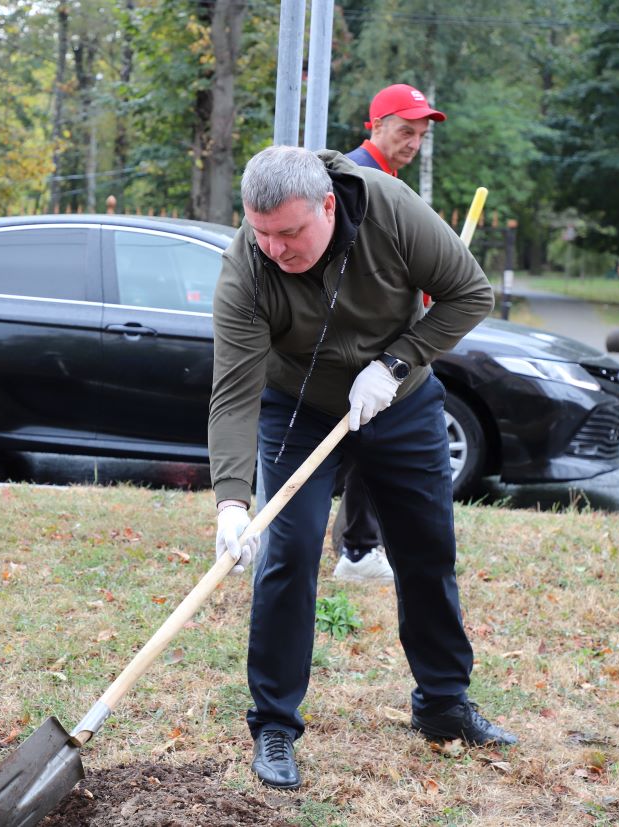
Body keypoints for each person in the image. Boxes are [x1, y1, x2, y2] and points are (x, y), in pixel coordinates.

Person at [209, 146, 516, 792]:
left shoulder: (393, 212)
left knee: (425, 545)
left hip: (397, 398)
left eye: (289, 233)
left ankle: (443, 703)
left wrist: (399, 362)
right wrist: (232, 503)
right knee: (287, 552)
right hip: (298, 405)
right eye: (261, 233)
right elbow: (234, 391)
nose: (275, 249)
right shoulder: (247, 266)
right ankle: (274, 723)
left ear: (327, 205)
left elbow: (470, 292)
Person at [332, 83, 448, 584]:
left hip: (384, 339)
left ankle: (358, 547)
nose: (413, 142)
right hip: (364, 342)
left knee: (367, 440)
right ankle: (358, 549)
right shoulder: (359, 177)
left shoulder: (390, 179)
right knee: (366, 442)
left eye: (420, 136)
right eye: (405, 131)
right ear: (374, 125)